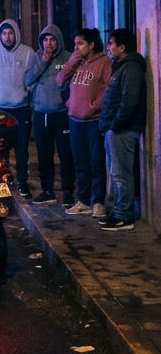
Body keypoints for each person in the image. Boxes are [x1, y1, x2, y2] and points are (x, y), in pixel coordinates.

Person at [0, 19, 35, 197]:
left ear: (16, 33)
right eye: (4, 33)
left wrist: (27, 91)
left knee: (21, 147)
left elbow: (35, 75)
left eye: (10, 32)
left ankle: (22, 182)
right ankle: (1, 178)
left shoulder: (27, 53)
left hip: (21, 108)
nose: (7, 36)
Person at [58, 28, 110, 217]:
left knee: (96, 162)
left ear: (91, 45)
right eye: (75, 44)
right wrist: (71, 63)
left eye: (80, 44)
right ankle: (83, 200)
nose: (76, 48)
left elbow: (107, 89)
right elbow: (59, 80)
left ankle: (98, 202)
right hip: (75, 120)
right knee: (80, 162)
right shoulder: (76, 63)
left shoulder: (104, 63)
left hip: (93, 121)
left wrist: (93, 106)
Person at [98, 28, 146, 231]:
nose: (108, 48)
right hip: (115, 130)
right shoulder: (121, 67)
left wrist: (115, 125)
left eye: (110, 44)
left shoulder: (131, 68)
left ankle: (124, 216)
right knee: (116, 172)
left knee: (121, 174)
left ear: (122, 47)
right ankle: (117, 212)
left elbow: (129, 101)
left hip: (123, 130)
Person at [23, 24, 76, 206]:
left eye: (52, 39)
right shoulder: (37, 57)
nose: (48, 43)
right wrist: (43, 61)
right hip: (40, 114)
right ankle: (47, 190)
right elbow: (27, 80)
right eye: (45, 39)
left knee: (65, 155)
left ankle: (68, 192)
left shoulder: (68, 57)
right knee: (43, 155)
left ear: (58, 40)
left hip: (61, 114)